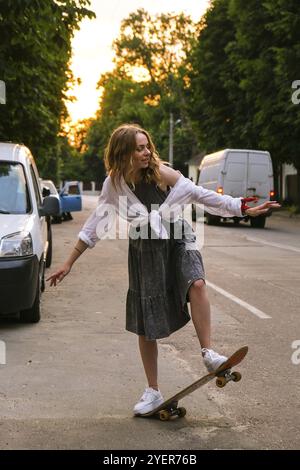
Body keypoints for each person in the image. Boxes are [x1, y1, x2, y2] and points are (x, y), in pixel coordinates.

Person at [47, 124, 280, 415]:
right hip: (145, 249)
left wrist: (239, 207)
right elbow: (94, 225)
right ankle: (153, 391)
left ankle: (209, 353)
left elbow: (197, 194)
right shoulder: (114, 184)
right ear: (124, 153)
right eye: (139, 148)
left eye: (147, 146)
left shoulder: (159, 171)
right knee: (147, 321)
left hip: (178, 236)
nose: (147, 152)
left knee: (196, 283)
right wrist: (68, 263)